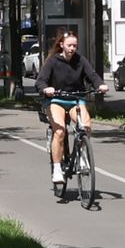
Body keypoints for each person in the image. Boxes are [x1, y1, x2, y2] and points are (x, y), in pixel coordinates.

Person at [37, 28, 98, 194]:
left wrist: (100, 85)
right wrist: (46, 89)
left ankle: (83, 157)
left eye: (75, 46)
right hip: (56, 99)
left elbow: (92, 75)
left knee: (85, 125)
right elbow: (41, 80)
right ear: (62, 45)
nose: (73, 48)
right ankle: (57, 168)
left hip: (75, 99)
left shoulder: (80, 60)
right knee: (60, 131)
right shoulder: (53, 61)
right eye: (70, 45)